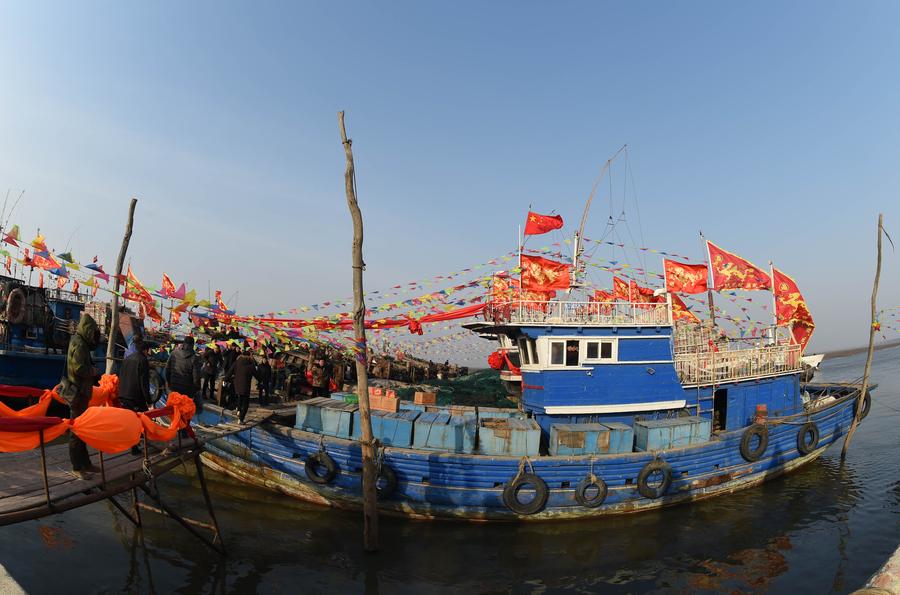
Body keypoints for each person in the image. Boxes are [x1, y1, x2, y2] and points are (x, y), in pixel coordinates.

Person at [62, 314, 102, 475]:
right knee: (76, 432)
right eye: (92, 332)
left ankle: (86, 463)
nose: (94, 336)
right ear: (87, 330)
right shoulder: (79, 344)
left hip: (82, 392)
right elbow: (78, 368)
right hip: (78, 393)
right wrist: (92, 371)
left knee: (82, 429)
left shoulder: (80, 342)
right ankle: (77, 467)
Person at [118, 335, 151, 455]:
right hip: (135, 397)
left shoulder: (127, 358)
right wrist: (149, 399)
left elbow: (120, 375)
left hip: (123, 394)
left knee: (130, 421)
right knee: (143, 419)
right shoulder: (143, 360)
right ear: (145, 350)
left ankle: (134, 443)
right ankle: (135, 446)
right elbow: (144, 383)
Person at [166, 336, 202, 416]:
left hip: (174, 386)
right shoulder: (194, 357)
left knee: (174, 410)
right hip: (187, 389)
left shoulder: (174, 353)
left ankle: (174, 426)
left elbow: (167, 369)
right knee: (184, 412)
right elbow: (196, 377)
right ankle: (182, 427)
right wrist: (195, 390)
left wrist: (169, 383)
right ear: (192, 345)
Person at [226, 349, 257, 423]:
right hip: (246, 385)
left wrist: (225, 379)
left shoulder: (237, 362)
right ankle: (241, 419)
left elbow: (230, 371)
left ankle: (238, 409)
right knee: (245, 402)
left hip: (237, 384)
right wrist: (261, 381)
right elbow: (256, 374)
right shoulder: (251, 365)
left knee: (240, 396)